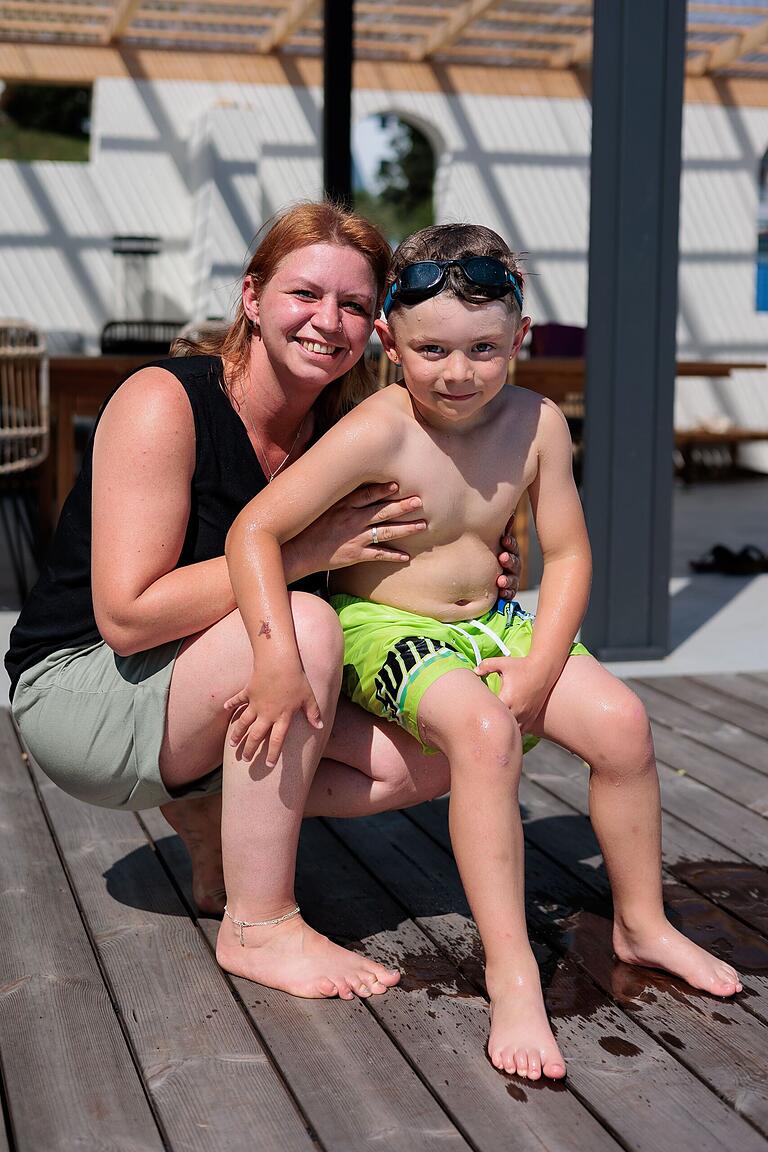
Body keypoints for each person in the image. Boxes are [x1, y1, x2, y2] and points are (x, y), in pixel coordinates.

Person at [224, 223, 743, 1082]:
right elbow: (255, 530)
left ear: (520, 340)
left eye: (483, 351)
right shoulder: (377, 431)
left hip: (497, 624)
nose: (456, 373)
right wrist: (278, 656)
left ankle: (642, 922)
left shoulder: (537, 423)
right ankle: (513, 975)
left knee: (622, 723)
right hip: (387, 629)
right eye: (431, 350)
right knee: (488, 738)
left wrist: (541, 662)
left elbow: (569, 554)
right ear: (388, 343)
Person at [5, 203, 522, 999]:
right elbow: (128, 614)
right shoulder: (165, 400)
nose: (329, 321)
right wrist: (305, 553)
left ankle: (218, 831)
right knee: (303, 624)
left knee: (438, 750)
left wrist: (475, 564)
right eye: (305, 295)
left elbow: (383, 567)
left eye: (354, 305)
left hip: (216, 676)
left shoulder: (344, 434)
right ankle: (261, 925)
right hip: (85, 684)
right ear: (252, 297)